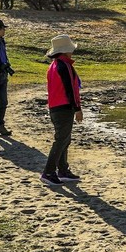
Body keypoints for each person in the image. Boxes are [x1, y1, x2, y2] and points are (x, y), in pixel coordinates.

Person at [41, 35, 83, 187]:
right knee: (61, 140)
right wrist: (77, 109)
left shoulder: (55, 65)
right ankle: (49, 172)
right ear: (65, 51)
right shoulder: (64, 66)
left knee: (64, 139)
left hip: (56, 106)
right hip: (63, 107)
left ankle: (63, 170)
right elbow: (70, 89)